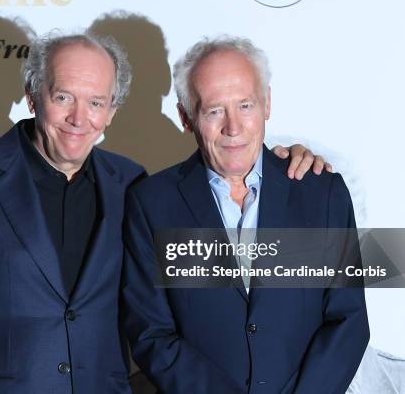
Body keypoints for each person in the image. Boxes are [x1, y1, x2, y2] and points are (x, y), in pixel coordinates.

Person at [0, 32, 329, 393]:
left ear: (112, 111)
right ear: (33, 95)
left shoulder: (133, 184)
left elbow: (207, 300)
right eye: (63, 97)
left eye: (96, 102)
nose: (78, 118)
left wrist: (280, 163)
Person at [121, 36, 369, 393]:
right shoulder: (150, 204)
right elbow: (151, 334)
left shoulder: (322, 194)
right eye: (214, 110)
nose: (233, 128)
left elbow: (348, 319)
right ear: (186, 117)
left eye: (245, 105)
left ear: (266, 104)